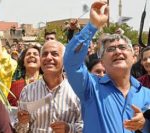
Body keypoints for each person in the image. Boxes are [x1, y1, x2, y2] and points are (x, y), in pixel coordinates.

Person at [64, 1, 150, 132]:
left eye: (122, 47)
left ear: (134, 58)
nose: (117, 51)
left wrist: (145, 124)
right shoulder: (90, 87)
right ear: (102, 62)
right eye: (111, 49)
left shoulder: (146, 94)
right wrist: (92, 26)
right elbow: (71, 61)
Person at [16, 40, 83, 133]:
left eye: (54, 54)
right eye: (44, 54)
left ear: (65, 59)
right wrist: (22, 123)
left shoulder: (76, 91)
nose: (48, 58)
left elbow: (85, 125)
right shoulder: (28, 91)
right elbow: (20, 130)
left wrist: (69, 129)